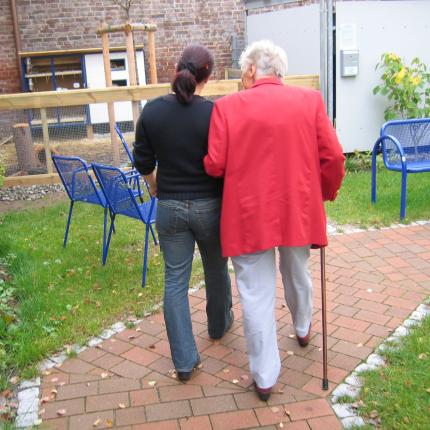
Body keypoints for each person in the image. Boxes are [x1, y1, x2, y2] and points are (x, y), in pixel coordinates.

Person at [204, 40, 345, 401]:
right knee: (298, 271)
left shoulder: (226, 107)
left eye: (242, 71)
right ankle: (302, 326)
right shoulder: (309, 100)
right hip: (298, 209)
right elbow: (333, 156)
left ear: (251, 70)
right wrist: (324, 193)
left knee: (255, 293)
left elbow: (216, 164)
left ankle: (265, 377)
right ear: (279, 70)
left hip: (249, 214)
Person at [133, 44, 233, 382]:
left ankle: (184, 361)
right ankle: (218, 326)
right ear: (209, 75)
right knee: (217, 269)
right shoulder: (215, 113)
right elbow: (225, 162)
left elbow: (143, 161)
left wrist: (154, 185)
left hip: (170, 208)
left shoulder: (152, 111)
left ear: (176, 69)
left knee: (175, 281)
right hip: (210, 207)